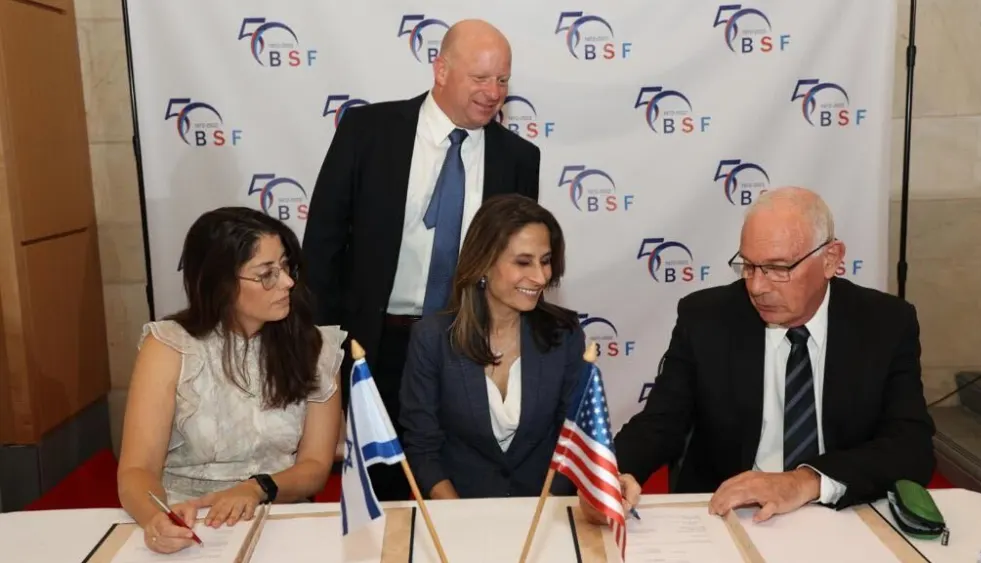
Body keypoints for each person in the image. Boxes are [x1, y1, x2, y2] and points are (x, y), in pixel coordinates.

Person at [581, 187, 935, 524]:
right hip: (731, 514)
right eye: (748, 266)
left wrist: (805, 482)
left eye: (778, 269)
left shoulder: (885, 323)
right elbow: (659, 423)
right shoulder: (707, 318)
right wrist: (612, 474)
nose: (757, 286)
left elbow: (911, 447)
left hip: (841, 511)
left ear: (830, 260)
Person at [302, 19, 540, 501]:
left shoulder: (518, 158)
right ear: (441, 69)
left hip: (467, 348)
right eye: (480, 78)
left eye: (502, 81)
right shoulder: (369, 132)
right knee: (386, 491)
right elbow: (322, 246)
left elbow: (518, 266)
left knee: (460, 486)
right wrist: (323, 354)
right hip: (377, 346)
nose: (493, 92)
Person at [117, 207, 345, 554]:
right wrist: (156, 520)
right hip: (189, 521)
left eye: (285, 266)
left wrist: (257, 488)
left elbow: (315, 467)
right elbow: (137, 468)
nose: (287, 282)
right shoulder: (168, 346)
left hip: (276, 516)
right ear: (220, 283)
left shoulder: (314, 346)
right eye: (267, 273)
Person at [398, 195, 583, 499]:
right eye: (523, 262)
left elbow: (574, 438)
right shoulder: (431, 338)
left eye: (546, 261)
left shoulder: (564, 334)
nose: (540, 277)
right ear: (483, 263)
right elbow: (422, 448)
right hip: (459, 515)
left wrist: (544, 516)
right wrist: (459, 517)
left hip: (544, 514)